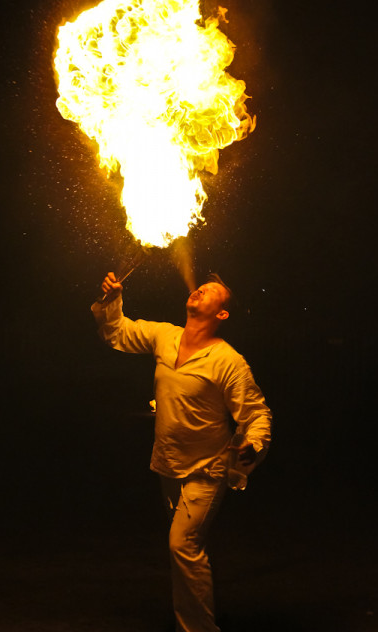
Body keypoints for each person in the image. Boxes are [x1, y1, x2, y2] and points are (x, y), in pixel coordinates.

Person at [91, 271, 272, 632]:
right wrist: (112, 299)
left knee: (182, 545)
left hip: (207, 470)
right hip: (168, 465)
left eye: (211, 293)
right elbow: (118, 333)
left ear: (221, 314)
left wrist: (253, 443)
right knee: (183, 554)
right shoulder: (165, 336)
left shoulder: (228, 361)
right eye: (200, 287)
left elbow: (256, 413)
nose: (200, 290)